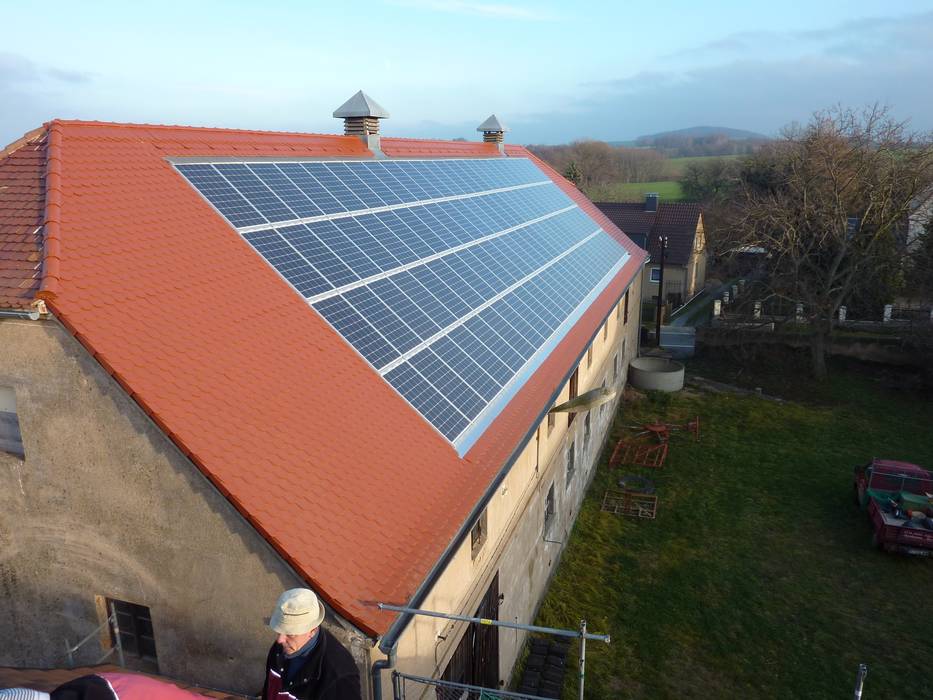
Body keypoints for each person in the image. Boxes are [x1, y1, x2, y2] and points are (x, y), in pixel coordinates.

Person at [261, 588, 360, 700]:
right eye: (279, 630)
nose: (280, 640)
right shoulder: (282, 647)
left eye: (291, 634)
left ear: (312, 631)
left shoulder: (339, 677)